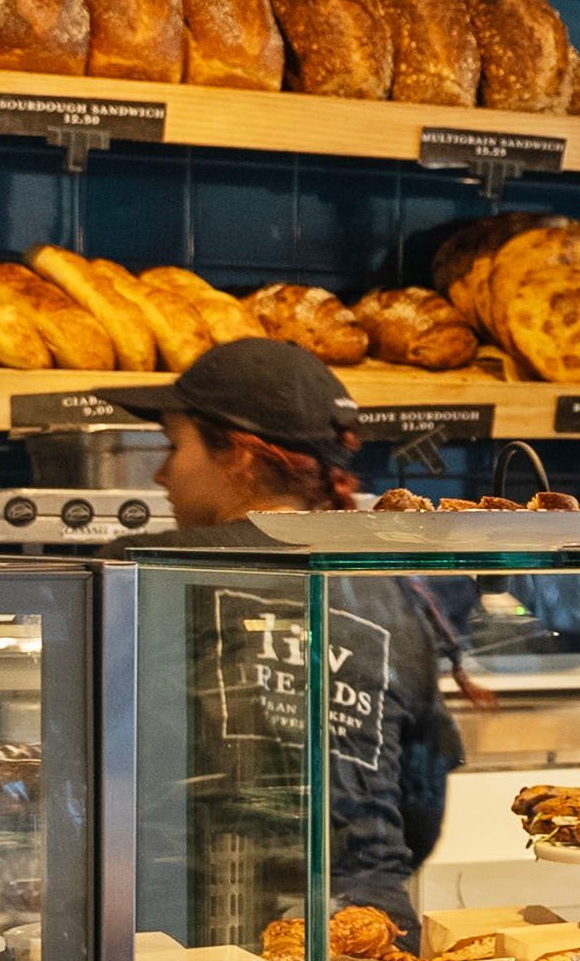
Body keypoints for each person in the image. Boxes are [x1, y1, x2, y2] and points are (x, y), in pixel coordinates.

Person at [103, 338, 461, 931]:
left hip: (190, 931)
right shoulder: (392, 586)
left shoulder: (138, 569)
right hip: (368, 934)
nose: (161, 473)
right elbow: (421, 804)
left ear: (241, 456)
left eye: (174, 446)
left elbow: (90, 770)